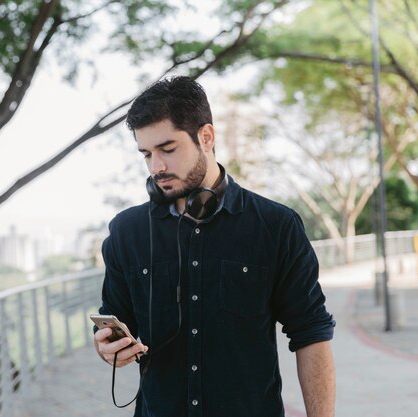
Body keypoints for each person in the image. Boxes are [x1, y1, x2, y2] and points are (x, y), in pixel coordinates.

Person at [94, 76, 336, 417]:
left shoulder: (276, 226)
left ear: (206, 137)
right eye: (146, 154)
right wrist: (108, 346)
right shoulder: (126, 232)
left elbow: (311, 332)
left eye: (168, 149)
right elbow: (113, 320)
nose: (156, 167)